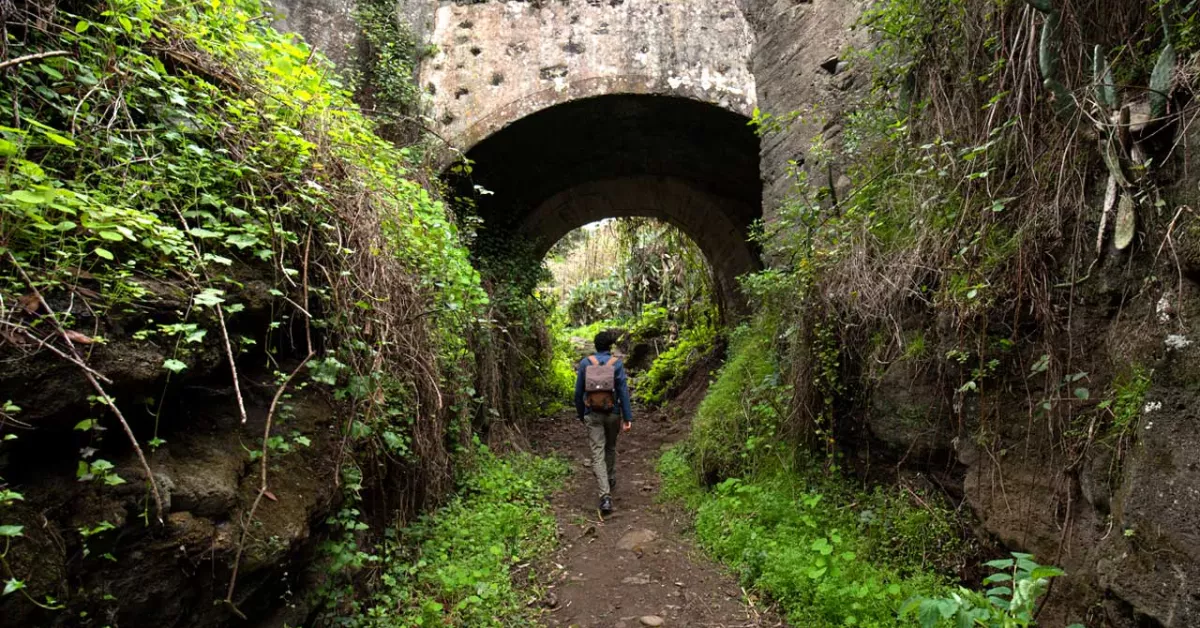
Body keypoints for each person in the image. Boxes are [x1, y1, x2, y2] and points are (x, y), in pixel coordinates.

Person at [574, 330, 633, 515]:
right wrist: (627, 417)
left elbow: (578, 392)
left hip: (592, 413)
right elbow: (623, 391)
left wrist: (582, 413)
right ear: (610, 347)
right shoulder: (616, 364)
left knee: (597, 452)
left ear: (595, 345)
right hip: (613, 413)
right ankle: (610, 478)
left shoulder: (585, 363)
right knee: (610, 447)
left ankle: (605, 496)